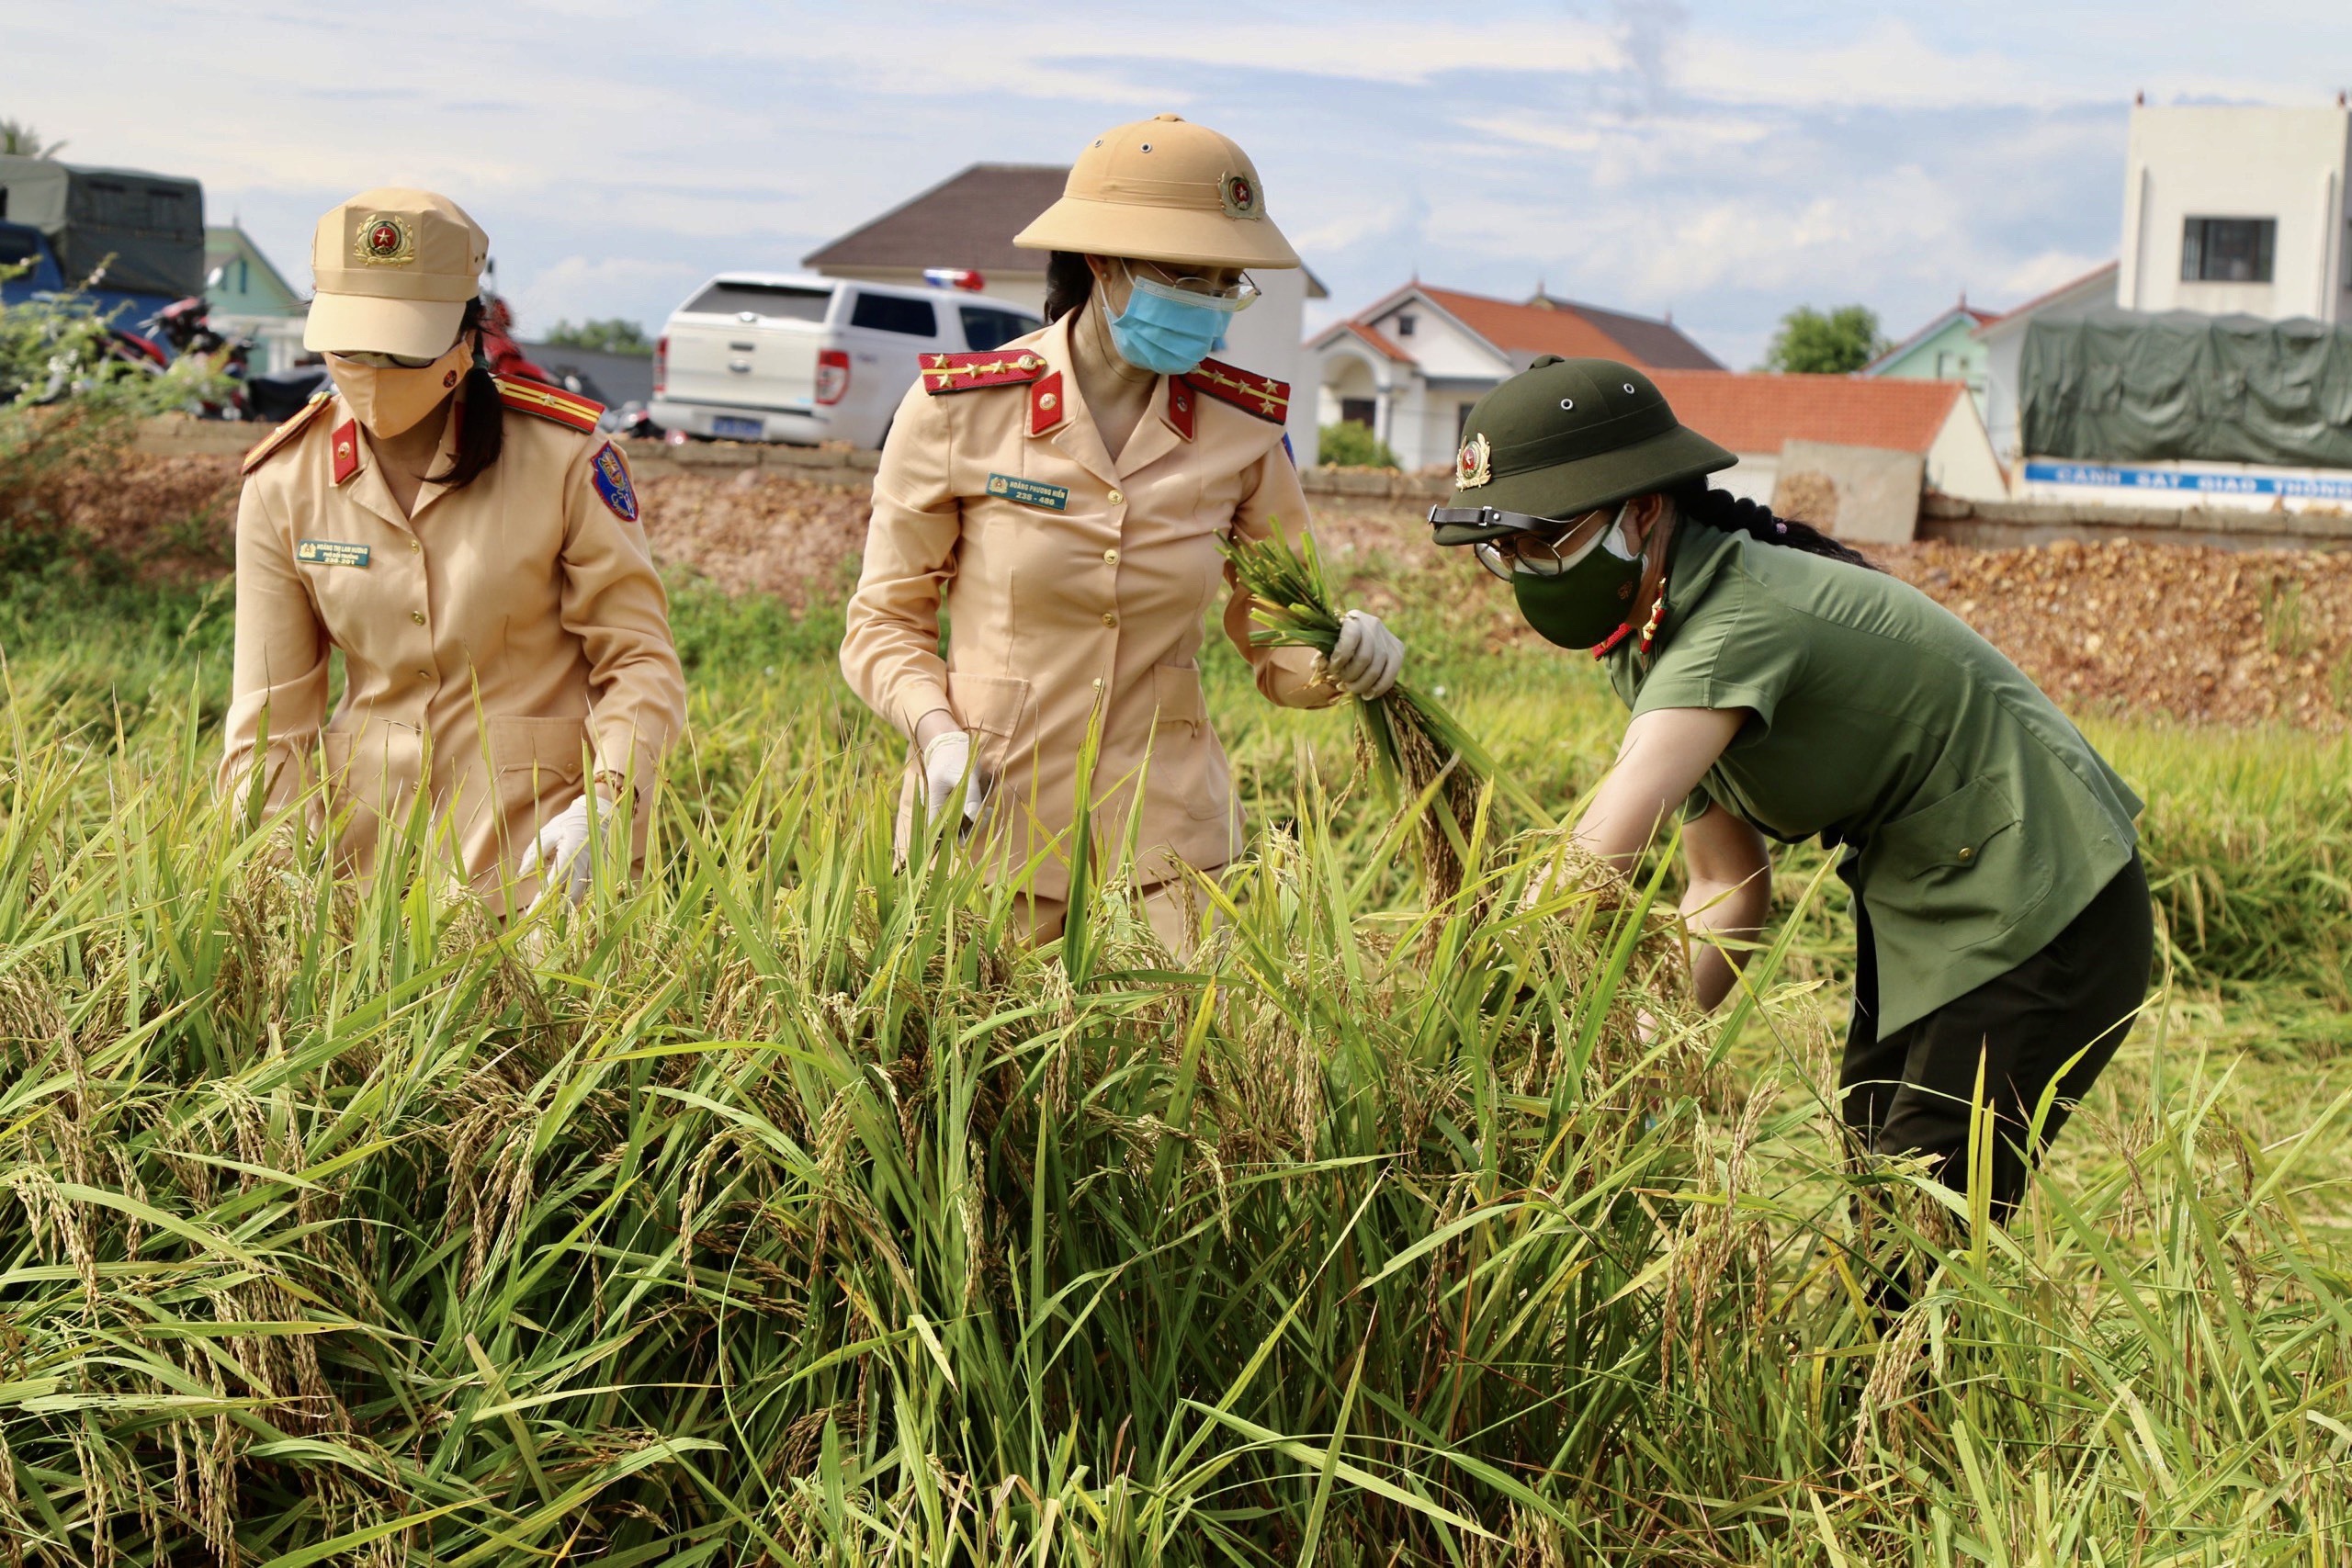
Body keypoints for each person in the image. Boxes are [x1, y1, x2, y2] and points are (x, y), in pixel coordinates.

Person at [1429, 355, 2152, 1235]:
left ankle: (1922, 1377)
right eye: (1505, 551)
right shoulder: (1654, 632)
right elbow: (1726, 886)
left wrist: (1464, 1021)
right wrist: (1642, 1053)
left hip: (2045, 891)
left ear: (1643, 510)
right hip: (1928, 889)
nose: (1525, 567)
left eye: (1545, 538)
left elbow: (1598, 853)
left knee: (1917, 1227)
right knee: (1879, 1178)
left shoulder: (1734, 621)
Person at [841, 114, 1405, 949]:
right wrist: (935, 732)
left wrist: (1344, 654)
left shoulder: (1244, 429)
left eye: (1226, 281)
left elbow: (1282, 643)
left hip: (1171, 849)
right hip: (987, 815)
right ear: (1103, 264)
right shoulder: (960, 410)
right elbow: (883, 623)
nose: (1210, 302)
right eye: (1186, 274)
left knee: (1183, 1063)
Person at [220, 187, 685, 911]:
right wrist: (268, 891)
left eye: (400, 347)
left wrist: (607, 800)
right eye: (352, 343)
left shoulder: (563, 460)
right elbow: (269, 724)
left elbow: (638, 661)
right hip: (362, 875)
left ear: (467, 338)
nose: (373, 369)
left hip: (541, 858)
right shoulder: (283, 481)